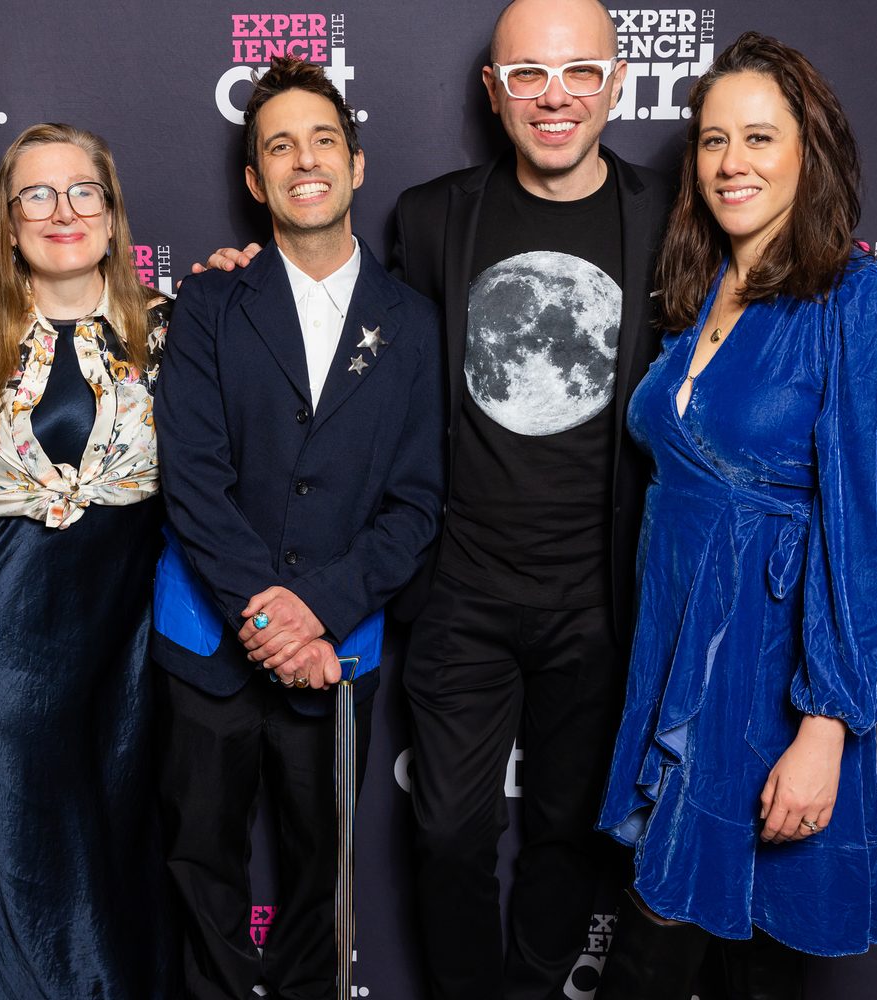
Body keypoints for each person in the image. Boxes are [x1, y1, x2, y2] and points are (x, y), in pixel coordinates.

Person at [197, 4, 667, 994]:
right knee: (448, 831)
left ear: (616, 84)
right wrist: (241, 281)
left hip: (601, 598)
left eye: (579, 71)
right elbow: (348, 321)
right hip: (458, 592)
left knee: (566, 834)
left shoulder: (668, 219)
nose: (554, 96)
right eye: (528, 75)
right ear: (492, 92)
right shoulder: (429, 216)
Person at [593, 31, 877, 999]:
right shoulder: (700, 294)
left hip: (767, 686)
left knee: (707, 964)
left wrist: (826, 726)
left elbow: (871, 538)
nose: (729, 162)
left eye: (758, 138)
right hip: (676, 668)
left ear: (808, 151)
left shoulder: (864, 303)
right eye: (711, 140)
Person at [153, 56, 445, 1000]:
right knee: (200, 866)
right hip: (207, 637)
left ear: (357, 165)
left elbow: (417, 503)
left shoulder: (417, 323)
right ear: (255, 181)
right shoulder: (205, 303)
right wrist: (268, 617)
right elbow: (192, 479)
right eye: (279, 145)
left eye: (323, 141)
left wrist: (317, 610)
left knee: (326, 876)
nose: (304, 159)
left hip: (340, 648)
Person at [0, 123, 176, 999]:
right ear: (6, 223)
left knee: (114, 851)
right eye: (35, 194)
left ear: (113, 218)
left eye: (84, 192)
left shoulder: (180, 329)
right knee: (15, 853)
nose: (61, 211)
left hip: (130, 649)